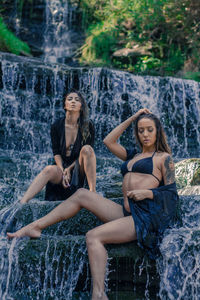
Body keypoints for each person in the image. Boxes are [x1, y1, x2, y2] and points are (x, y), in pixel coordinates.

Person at [7, 108, 179, 300]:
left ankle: (99, 294)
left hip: (144, 218)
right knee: (82, 194)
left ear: (157, 131)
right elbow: (108, 141)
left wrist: (147, 192)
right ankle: (35, 226)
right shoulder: (132, 155)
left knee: (93, 236)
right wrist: (133, 118)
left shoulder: (164, 158)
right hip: (126, 212)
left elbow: (172, 195)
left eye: (149, 130)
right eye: (140, 130)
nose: (145, 134)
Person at [20, 89, 96, 204]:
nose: (73, 102)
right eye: (69, 99)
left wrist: (69, 169)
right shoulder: (56, 125)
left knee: (87, 149)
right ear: (65, 105)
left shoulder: (88, 126)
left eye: (77, 100)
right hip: (62, 167)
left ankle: (92, 192)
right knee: (49, 169)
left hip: (79, 168)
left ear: (81, 106)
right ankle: (22, 202)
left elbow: (88, 156)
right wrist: (63, 170)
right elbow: (56, 152)